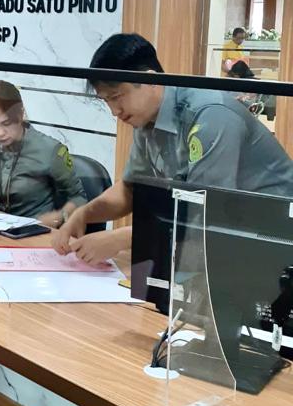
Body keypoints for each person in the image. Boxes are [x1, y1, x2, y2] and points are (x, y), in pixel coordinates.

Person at [52, 33, 293, 265]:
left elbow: (204, 212)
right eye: (107, 101)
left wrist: (121, 239)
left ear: (149, 81)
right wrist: (84, 214)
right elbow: (130, 189)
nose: (114, 111)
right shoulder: (145, 119)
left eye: (116, 97)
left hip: (272, 239)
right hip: (223, 240)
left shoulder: (210, 116)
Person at [0, 79, 86, 226]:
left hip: (36, 230)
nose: (0, 133)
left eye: (6, 123)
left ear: (21, 113)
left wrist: (58, 217)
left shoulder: (50, 150)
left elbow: (79, 198)